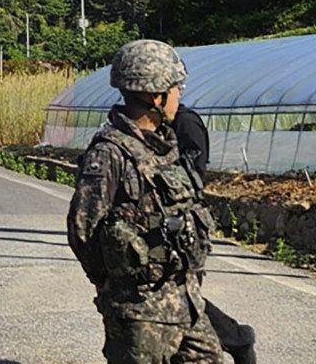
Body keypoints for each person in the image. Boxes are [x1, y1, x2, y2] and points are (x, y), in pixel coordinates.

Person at [67, 39, 222, 364]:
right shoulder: (110, 154)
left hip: (184, 300)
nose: (179, 95)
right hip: (139, 312)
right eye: (175, 88)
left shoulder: (165, 144)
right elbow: (83, 228)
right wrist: (109, 285)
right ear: (155, 95)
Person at [173, 104, 257, 364]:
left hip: (181, 225)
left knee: (179, 297)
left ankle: (237, 339)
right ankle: (237, 339)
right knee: (172, 299)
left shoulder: (185, 122)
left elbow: (193, 176)